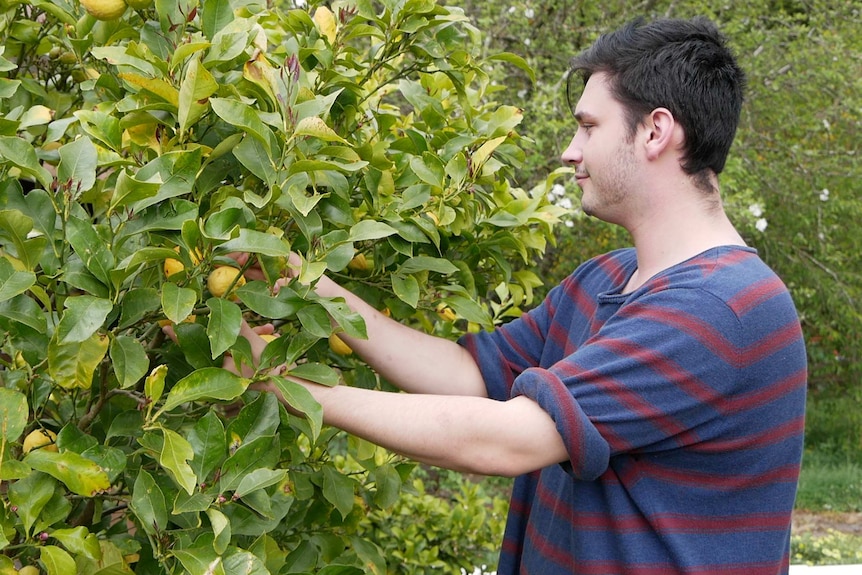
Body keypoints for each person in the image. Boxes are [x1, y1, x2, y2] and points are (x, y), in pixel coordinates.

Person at [238, 16, 807, 575]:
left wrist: (287, 383)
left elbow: (503, 441)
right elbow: (468, 373)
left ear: (656, 131)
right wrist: (310, 286)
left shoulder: (720, 309)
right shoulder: (606, 278)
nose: (569, 150)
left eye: (588, 126)